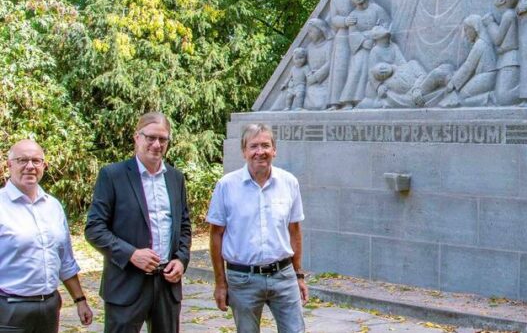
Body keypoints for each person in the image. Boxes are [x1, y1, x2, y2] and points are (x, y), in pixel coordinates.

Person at [85, 112, 191, 333]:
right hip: (127, 283)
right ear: (137, 137)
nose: (156, 144)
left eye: (163, 139)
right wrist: (131, 254)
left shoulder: (175, 178)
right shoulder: (113, 175)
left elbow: (184, 227)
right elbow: (94, 229)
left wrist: (181, 259)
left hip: (167, 283)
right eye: (150, 137)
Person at [207, 124, 307, 333]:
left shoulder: (289, 183)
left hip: (283, 276)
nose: (259, 152)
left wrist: (298, 275)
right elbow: (216, 235)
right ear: (244, 151)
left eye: (265, 145)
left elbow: (295, 230)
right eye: (253, 146)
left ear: (274, 150)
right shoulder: (226, 185)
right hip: (243, 279)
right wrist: (220, 283)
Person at [0, 139, 93, 333]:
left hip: (50, 308)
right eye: (22, 160)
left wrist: (80, 300)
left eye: (36, 161)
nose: (30, 166)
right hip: (9, 310)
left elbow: (65, 259)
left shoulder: (53, 206)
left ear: (44, 165)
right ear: (9, 165)